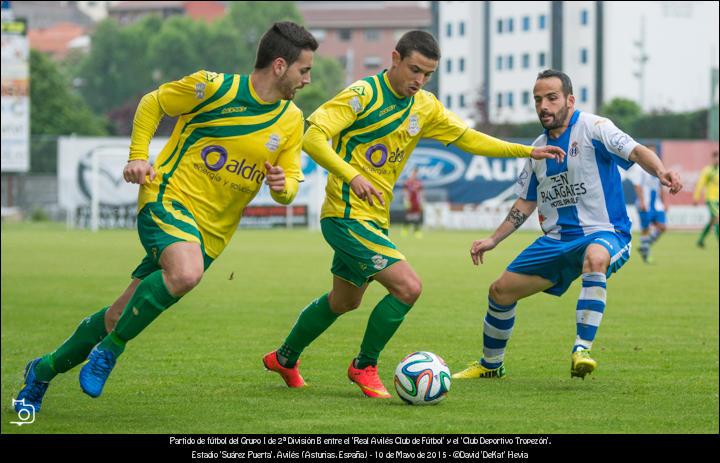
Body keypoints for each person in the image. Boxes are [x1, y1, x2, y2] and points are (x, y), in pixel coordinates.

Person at [14, 22, 317, 414]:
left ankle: (42, 370)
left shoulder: (291, 120)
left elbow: (290, 182)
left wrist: (281, 185)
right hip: (167, 200)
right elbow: (153, 102)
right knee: (186, 273)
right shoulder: (213, 87)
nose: (308, 79)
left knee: (118, 314)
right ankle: (109, 352)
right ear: (280, 65)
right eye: (304, 70)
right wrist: (138, 155)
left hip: (211, 236)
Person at [262, 31, 565, 399]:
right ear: (394, 58)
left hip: (373, 219)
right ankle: (364, 366)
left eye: (427, 75)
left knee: (344, 301)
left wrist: (524, 151)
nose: (419, 81)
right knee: (408, 287)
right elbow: (313, 136)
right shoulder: (363, 95)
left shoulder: (425, 106)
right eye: (414, 70)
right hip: (344, 215)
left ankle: (285, 358)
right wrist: (352, 176)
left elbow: (468, 138)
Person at [453, 70, 682, 381]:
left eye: (551, 98)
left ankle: (581, 349)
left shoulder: (595, 127)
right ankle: (491, 366)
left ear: (570, 100)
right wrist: (494, 239)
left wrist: (662, 172)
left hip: (605, 232)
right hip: (558, 240)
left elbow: (638, 151)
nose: (543, 106)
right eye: (538, 100)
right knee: (500, 292)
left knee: (596, 258)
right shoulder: (537, 149)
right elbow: (526, 201)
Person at [627, 146, 668, 263]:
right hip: (645, 203)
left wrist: (664, 202)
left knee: (662, 227)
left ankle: (644, 247)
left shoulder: (660, 168)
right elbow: (637, 185)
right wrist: (642, 201)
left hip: (657, 204)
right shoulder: (640, 168)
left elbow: (661, 186)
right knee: (645, 229)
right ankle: (646, 255)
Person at [693, 150, 719, 248]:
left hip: (718, 199)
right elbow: (700, 184)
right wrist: (696, 197)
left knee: (712, 221)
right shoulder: (707, 170)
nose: (717, 160)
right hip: (711, 199)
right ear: (712, 159)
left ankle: (700, 240)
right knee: (717, 218)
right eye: (716, 157)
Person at [403, 167, 424, 238]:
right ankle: (405, 229)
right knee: (408, 216)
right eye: (413, 173)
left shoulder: (418, 183)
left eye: (416, 173)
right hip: (410, 201)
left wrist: (421, 202)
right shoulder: (407, 182)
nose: (414, 174)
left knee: (416, 216)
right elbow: (405, 192)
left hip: (416, 202)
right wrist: (406, 201)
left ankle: (416, 231)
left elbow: (421, 193)